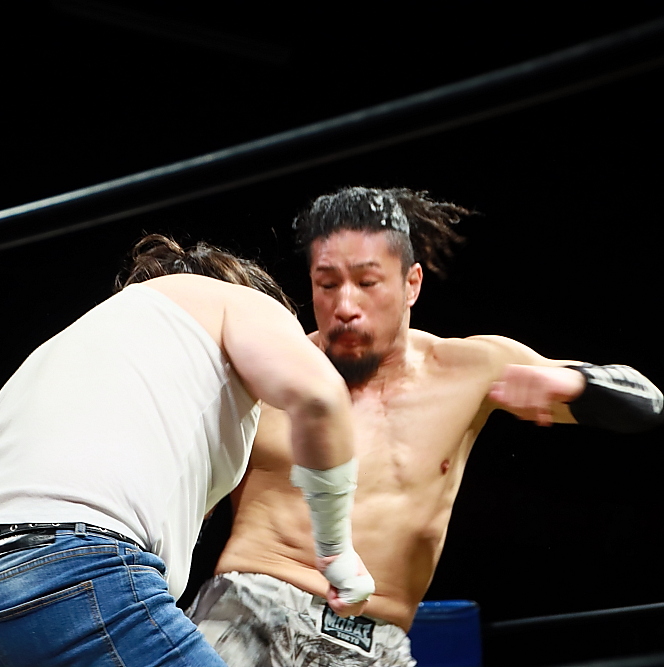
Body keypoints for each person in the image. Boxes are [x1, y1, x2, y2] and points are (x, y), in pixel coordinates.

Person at [185, 187, 664, 667]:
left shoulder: (469, 368)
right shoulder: (270, 368)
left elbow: (648, 402)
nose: (345, 304)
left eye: (367, 282)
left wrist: (576, 384)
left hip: (376, 644)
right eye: (327, 284)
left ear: (411, 284)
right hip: (250, 609)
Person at [0, 234, 375, 667]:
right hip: (72, 575)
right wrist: (335, 552)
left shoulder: (82, 345)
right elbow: (321, 398)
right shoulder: (238, 302)